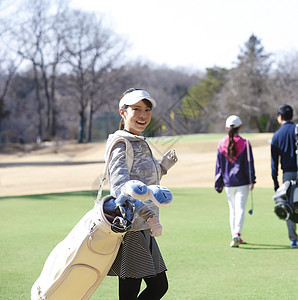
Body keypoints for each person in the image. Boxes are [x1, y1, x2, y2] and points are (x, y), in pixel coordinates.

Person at [105, 88, 178, 299]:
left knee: (156, 287)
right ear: (122, 112)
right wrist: (148, 215)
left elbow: (144, 186)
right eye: (136, 109)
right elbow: (121, 190)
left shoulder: (138, 141)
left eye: (147, 109)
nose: (143, 115)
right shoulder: (122, 143)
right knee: (151, 288)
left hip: (143, 226)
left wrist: (162, 168)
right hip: (132, 228)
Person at [215, 115, 256, 248]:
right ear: (240, 127)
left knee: (232, 210)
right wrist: (252, 180)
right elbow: (249, 164)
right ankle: (237, 234)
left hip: (228, 183)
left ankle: (235, 235)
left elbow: (218, 166)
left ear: (227, 128)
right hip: (242, 182)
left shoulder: (221, 143)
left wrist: (218, 183)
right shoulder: (245, 143)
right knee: (240, 209)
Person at [271, 104, 297, 248]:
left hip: (287, 176)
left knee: (289, 207)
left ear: (280, 117)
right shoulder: (297, 130)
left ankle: (294, 239)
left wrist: (275, 183)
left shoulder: (277, 136)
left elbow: (274, 163)